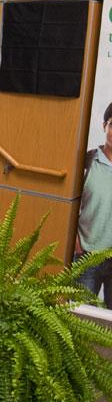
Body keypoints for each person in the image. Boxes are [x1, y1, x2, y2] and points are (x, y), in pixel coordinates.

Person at [75, 103, 112, 308]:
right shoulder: (87, 162)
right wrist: (75, 241)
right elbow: (69, 205)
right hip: (87, 255)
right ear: (104, 125)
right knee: (80, 317)